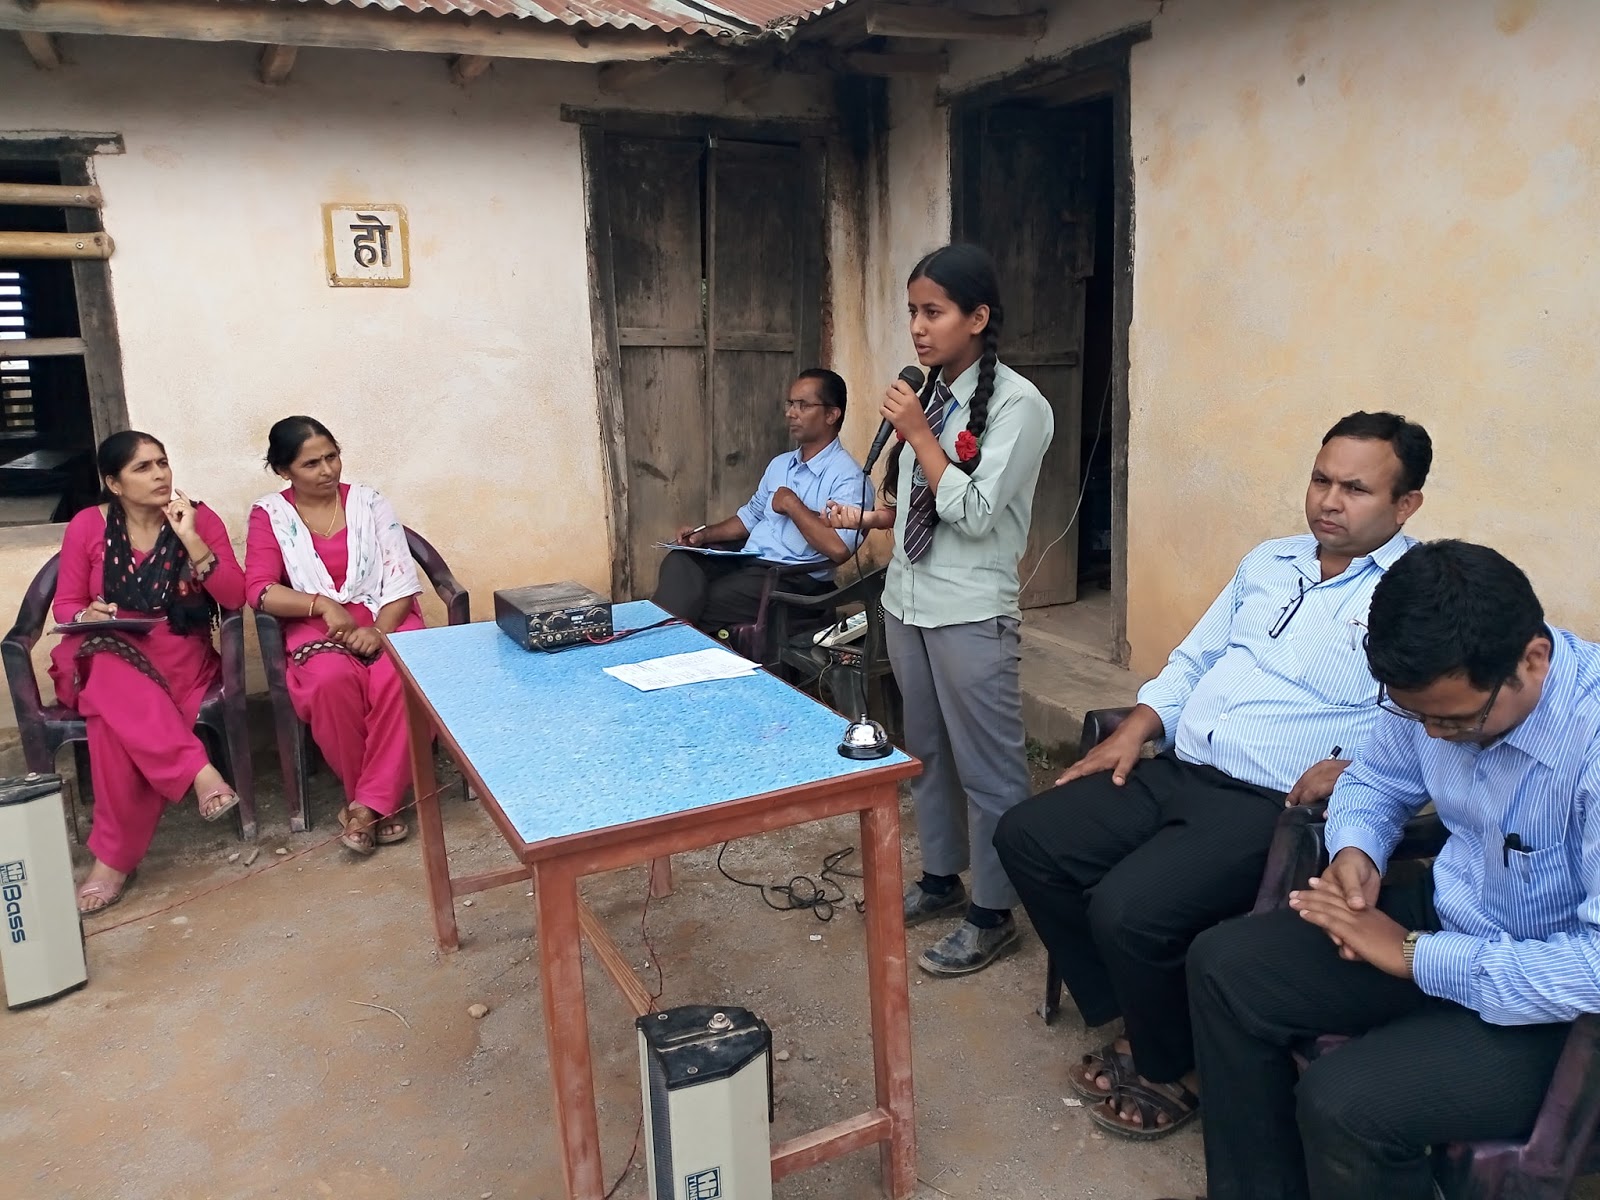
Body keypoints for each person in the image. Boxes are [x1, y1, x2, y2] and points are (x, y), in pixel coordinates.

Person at [993, 411, 1433, 1139]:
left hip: (1267, 803)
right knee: (1029, 837)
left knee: (1129, 910)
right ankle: (1151, 1018)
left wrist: (1360, 767)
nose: (1329, 501)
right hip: (1181, 766)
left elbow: (1426, 719)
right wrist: (1138, 725)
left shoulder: (1416, 595)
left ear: (1406, 503)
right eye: (1320, 480)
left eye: (1355, 489)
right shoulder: (1270, 561)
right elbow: (1195, 658)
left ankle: (1169, 1063)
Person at [1174, 540, 1600, 1200]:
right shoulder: (1432, 692)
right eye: (1414, 714)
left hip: (1561, 1008)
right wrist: (1356, 852)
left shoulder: (1590, 742)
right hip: (1457, 913)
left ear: (1533, 659)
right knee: (1224, 965)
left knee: (1346, 1104)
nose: (1432, 735)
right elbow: (1376, 777)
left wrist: (1414, 955)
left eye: (1455, 720)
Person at [825, 243, 1053, 977]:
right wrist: (874, 516)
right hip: (908, 600)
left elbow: (978, 513)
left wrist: (922, 437)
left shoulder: (1020, 406)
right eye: (912, 313)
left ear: (977, 318)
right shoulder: (930, 393)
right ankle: (941, 877)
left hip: (970, 611)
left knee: (989, 767)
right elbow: (920, 503)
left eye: (934, 312)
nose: (919, 329)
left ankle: (994, 912)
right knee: (924, 752)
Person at [49, 431, 245, 914]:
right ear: (114, 482)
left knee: (110, 723)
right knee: (109, 668)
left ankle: (111, 862)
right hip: (103, 648)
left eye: (162, 462)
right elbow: (66, 604)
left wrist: (191, 537)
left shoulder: (198, 517)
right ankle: (198, 771)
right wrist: (89, 614)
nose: (160, 474)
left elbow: (234, 596)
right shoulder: (87, 526)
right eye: (143, 467)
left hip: (176, 651)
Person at [245, 416, 424, 857]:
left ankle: (364, 808)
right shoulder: (270, 515)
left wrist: (379, 631)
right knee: (330, 681)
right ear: (283, 470)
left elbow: (402, 579)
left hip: (388, 614)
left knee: (398, 678)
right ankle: (379, 802)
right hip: (316, 623)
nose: (327, 470)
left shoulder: (370, 503)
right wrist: (322, 604)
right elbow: (260, 589)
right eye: (311, 464)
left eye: (332, 456)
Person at [652, 369, 870, 635]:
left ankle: (666, 647)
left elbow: (839, 549)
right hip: (750, 563)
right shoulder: (780, 464)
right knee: (680, 561)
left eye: (803, 405)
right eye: (790, 404)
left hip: (794, 580)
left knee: (705, 602)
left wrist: (792, 505)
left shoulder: (849, 478)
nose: (791, 413)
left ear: (831, 415)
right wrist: (703, 535)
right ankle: (662, 643)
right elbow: (750, 517)